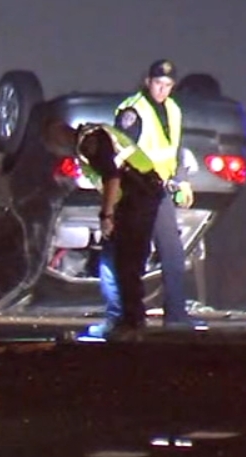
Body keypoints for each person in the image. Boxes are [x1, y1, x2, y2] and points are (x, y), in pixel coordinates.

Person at [57, 120, 167, 342]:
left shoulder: (90, 142)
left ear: (57, 136)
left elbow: (112, 177)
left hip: (136, 198)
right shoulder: (93, 138)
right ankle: (120, 318)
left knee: (127, 262)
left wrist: (106, 215)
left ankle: (132, 322)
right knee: (115, 260)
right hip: (137, 197)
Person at [112, 59, 196, 328]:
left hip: (160, 190)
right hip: (137, 191)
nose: (162, 90)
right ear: (148, 82)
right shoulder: (132, 111)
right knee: (135, 254)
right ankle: (132, 316)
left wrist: (181, 182)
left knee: (172, 252)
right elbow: (123, 153)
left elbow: (175, 148)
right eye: (158, 84)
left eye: (168, 85)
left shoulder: (173, 109)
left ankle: (176, 313)